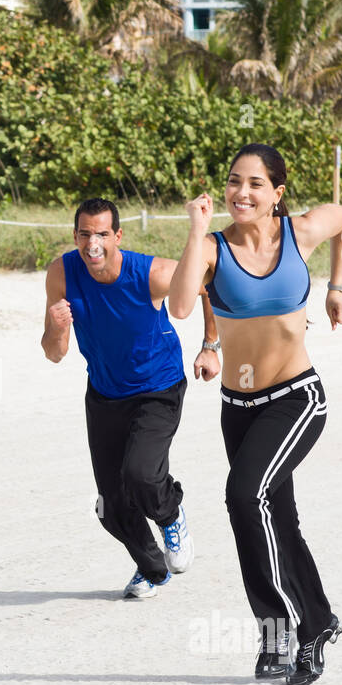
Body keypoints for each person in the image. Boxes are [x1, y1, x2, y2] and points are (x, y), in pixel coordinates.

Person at [168, 143, 342, 685]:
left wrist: (337, 289)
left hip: (297, 398)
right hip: (239, 407)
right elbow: (181, 305)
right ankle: (292, 631)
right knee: (274, 518)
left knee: (243, 496)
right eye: (232, 182)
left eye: (254, 184)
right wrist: (193, 232)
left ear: (277, 193)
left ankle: (306, 627)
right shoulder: (210, 249)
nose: (240, 193)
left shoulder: (301, 233)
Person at [42, 198, 220, 600]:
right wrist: (56, 328)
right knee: (110, 508)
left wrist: (211, 345)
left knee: (141, 476)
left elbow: (205, 282)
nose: (93, 244)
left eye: (102, 234)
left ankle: (170, 515)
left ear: (117, 236)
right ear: (75, 236)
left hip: (158, 387)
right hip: (104, 393)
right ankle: (153, 570)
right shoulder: (62, 272)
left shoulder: (151, 273)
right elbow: (55, 353)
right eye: (85, 234)